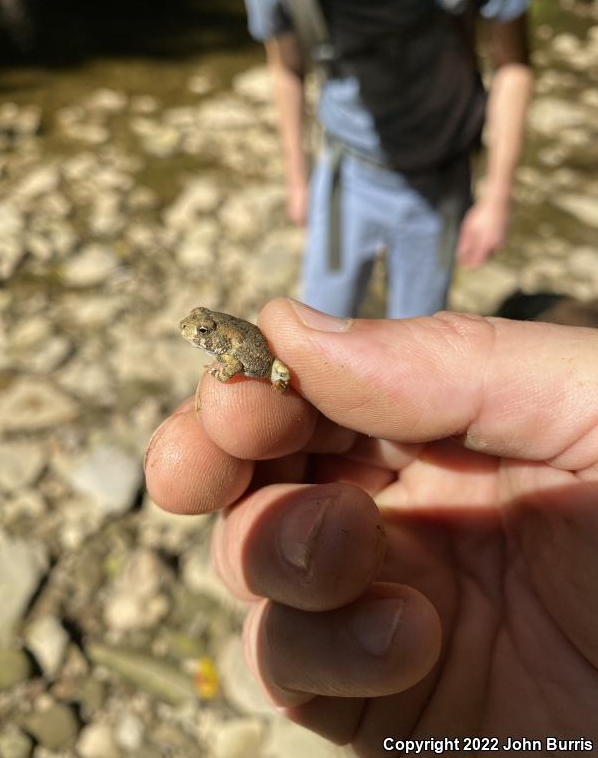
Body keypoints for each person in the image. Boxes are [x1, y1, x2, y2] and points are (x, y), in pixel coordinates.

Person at [145, 298, 598, 755]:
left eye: (201, 331)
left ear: (214, 334)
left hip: (270, 374)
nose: (194, 333)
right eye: (199, 330)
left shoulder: (230, 350)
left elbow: (232, 367)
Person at [238, 0, 533, 318]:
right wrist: (297, 179)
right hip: (345, 174)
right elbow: (286, 67)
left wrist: (497, 199)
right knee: (314, 329)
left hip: (439, 180)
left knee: (418, 345)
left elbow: (513, 66)